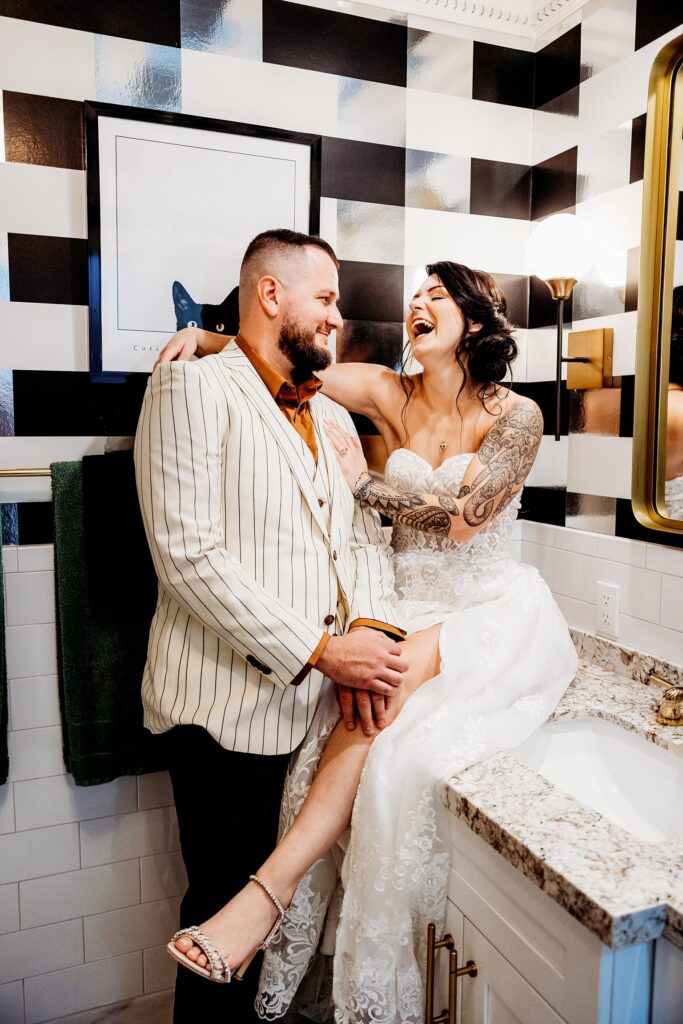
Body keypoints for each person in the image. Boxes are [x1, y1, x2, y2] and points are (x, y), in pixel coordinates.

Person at [158, 259, 579, 1023]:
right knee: (369, 683)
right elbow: (284, 357)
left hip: (490, 606)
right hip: (401, 600)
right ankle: (271, 899)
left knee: (385, 677)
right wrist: (205, 336)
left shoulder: (516, 415)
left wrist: (365, 486)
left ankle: (267, 893)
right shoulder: (385, 390)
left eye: (437, 297)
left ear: (475, 324)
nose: (416, 304)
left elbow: (465, 518)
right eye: (413, 295)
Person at [134, 228, 409, 1024]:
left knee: (281, 922)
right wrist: (326, 652)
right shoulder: (191, 388)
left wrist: (374, 640)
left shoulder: (324, 413)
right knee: (223, 918)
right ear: (270, 295)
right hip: (223, 709)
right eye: (324, 297)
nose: (335, 316)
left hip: (319, 708)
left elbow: (359, 541)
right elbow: (186, 557)